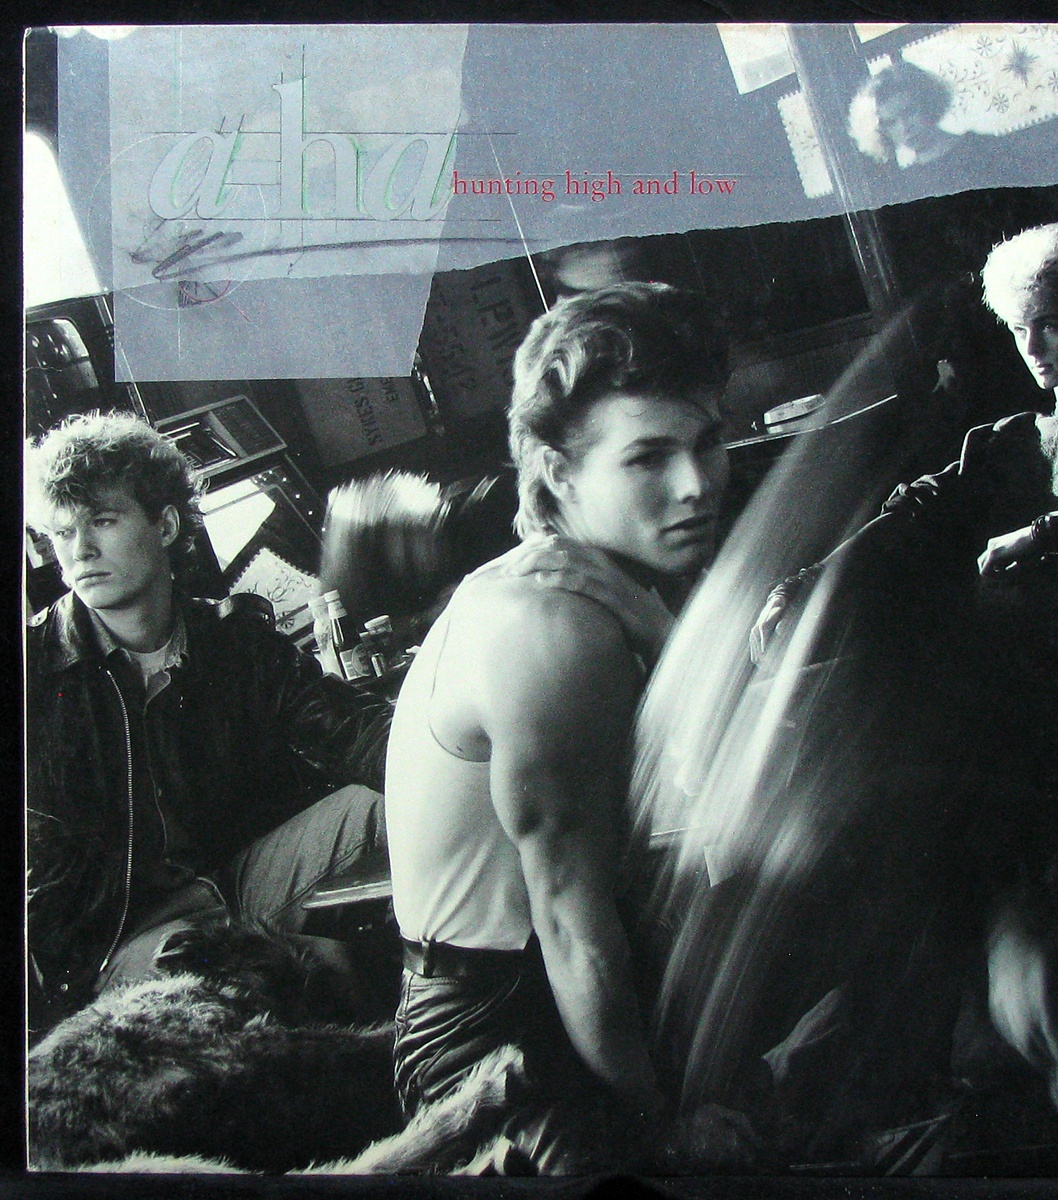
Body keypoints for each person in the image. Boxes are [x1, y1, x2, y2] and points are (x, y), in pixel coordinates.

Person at [745, 223, 1058, 1168]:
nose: (1033, 350)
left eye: (1051, 324)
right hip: (1025, 737)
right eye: (1020, 330)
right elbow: (912, 513)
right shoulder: (1012, 444)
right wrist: (806, 583)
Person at [385, 282, 730, 1173]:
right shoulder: (552, 628)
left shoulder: (620, 581)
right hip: (492, 1034)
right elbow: (574, 929)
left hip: (603, 971)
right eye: (648, 458)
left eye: (707, 442)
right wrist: (663, 1128)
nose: (695, 485)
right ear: (559, 473)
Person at [25, 412, 394, 1039]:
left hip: (235, 879)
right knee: (294, 981)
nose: (79, 550)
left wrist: (467, 740)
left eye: (103, 521)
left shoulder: (231, 637)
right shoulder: (33, 673)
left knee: (393, 797)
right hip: (125, 938)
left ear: (166, 525)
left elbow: (352, 730)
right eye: (62, 532)